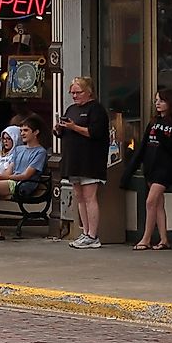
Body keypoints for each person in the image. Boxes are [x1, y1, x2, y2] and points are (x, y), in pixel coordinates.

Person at [56, 75, 109, 248]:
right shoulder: (71, 109)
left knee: (89, 196)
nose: (75, 96)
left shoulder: (96, 110)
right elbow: (65, 130)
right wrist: (60, 129)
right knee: (79, 196)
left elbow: (95, 133)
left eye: (78, 92)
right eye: (72, 93)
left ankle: (93, 235)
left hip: (90, 159)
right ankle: (85, 232)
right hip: (73, 158)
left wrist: (74, 127)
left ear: (88, 92)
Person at [136, 84, 172, 251]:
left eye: (161, 101)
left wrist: (164, 139)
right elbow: (144, 145)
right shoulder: (153, 122)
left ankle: (146, 239)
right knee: (157, 204)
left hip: (166, 168)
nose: (157, 104)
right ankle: (164, 239)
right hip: (152, 166)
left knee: (150, 201)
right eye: (156, 101)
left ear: (169, 103)